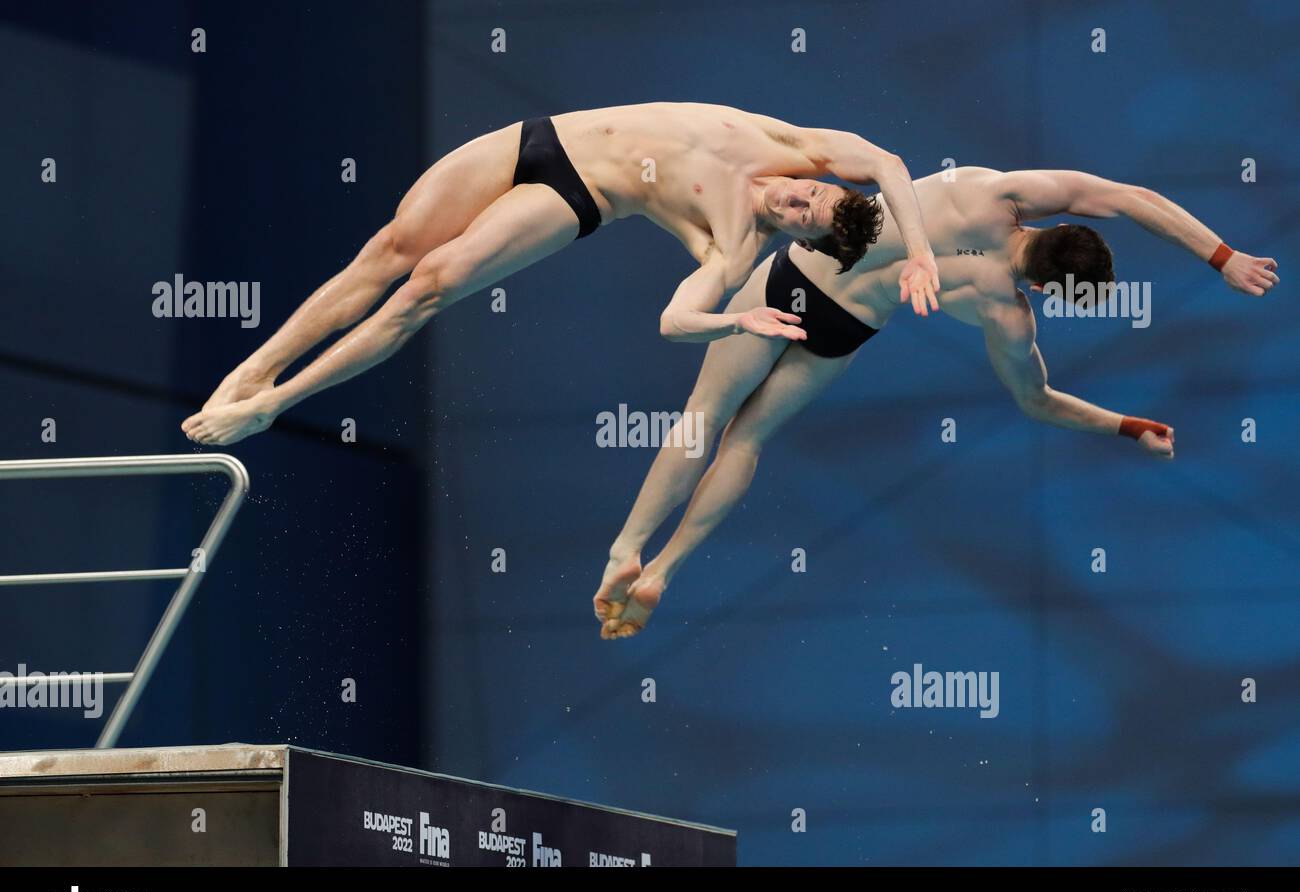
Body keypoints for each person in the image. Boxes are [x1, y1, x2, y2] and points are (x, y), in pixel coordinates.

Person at [594, 166, 1280, 638]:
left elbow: (1129, 196)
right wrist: (1126, 426)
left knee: (704, 419)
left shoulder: (996, 191)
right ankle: (664, 571)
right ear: (1047, 288)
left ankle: (626, 549)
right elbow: (1039, 402)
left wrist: (1222, 256)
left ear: (1056, 223)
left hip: (796, 281)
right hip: (846, 330)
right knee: (745, 442)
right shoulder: (1006, 313)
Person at [181, 103, 941, 445]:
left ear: (793, 235)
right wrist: (921, 251)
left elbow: (674, 322)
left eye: (801, 215)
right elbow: (889, 164)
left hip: (575, 197)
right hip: (539, 138)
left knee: (428, 287)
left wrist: (735, 320)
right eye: (810, 191)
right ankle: (251, 372)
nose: (796, 196)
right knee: (388, 252)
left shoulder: (735, 245)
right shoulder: (793, 144)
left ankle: (273, 405)